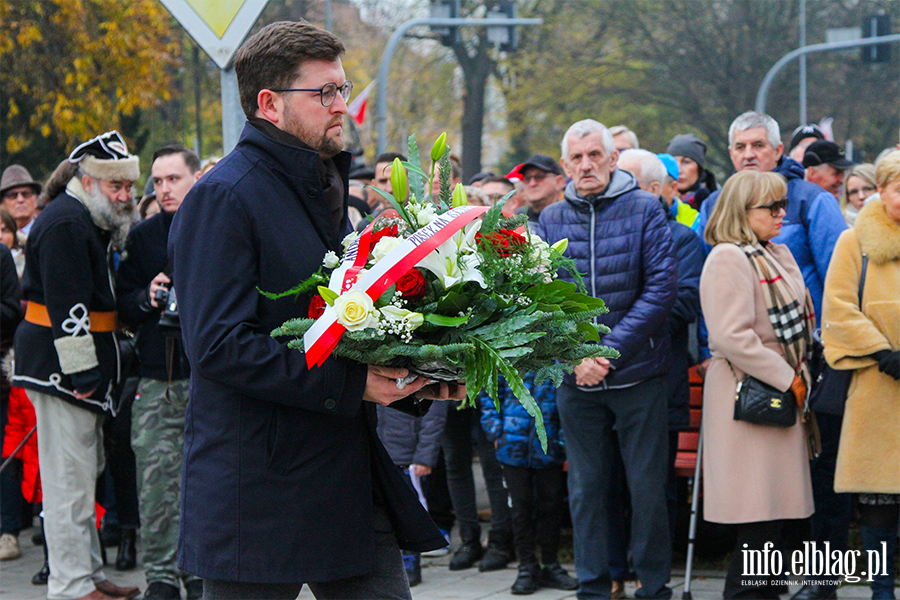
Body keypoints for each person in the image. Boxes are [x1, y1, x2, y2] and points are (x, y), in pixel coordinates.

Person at [168, 20, 455, 600]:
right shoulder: (224, 195)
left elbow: (343, 320)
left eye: (342, 90)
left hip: (343, 475)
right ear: (270, 104)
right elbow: (219, 346)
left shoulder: (319, 184)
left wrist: (420, 372)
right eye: (323, 92)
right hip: (256, 485)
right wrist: (353, 385)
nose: (340, 106)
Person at [536, 119, 677, 600]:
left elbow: (660, 291)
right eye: (576, 158)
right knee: (587, 492)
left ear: (614, 159)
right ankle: (593, 587)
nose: (586, 165)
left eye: (595, 155)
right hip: (577, 381)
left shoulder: (644, 209)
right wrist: (577, 356)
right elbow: (542, 301)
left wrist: (605, 354)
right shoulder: (551, 220)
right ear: (565, 166)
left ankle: (653, 586)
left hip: (638, 375)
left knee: (647, 491)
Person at [12, 130, 141, 600]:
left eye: (129, 187)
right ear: (88, 181)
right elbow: (70, 309)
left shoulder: (80, 216)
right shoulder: (67, 223)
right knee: (68, 481)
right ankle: (70, 585)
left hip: (68, 367)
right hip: (63, 369)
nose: (126, 196)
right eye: (117, 188)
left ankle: (87, 574)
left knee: (81, 473)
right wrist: (84, 374)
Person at [700, 170, 814, 600]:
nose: (782, 213)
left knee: (771, 529)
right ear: (741, 212)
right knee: (758, 529)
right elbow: (731, 336)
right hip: (749, 400)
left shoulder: (774, 253)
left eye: (783, 204)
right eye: (772, 206)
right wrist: (789, 378)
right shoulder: (729, 257)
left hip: (776, 398)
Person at [116, 144, 203, 600]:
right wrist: (147, 297)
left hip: (212, 381)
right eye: (159, 181)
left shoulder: (218, 227)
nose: (164, 189)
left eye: (173, 179)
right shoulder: (143, 237)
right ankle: (163, 577)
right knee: (155, 485)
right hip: (158, 380)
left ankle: (200, 571)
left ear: (196, 177)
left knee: (208, 487)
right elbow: (121, 304)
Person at [821, 150, 900, 600]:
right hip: (875, 386)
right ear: (882, 190)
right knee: (878, 498)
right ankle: (882, 589)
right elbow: (837, 308)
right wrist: (881, 351)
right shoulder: (855, 242)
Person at [480, 375, 579, 595]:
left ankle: (550, 564)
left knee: (551, 505)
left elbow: (567, 395)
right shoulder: (509, 350)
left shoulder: (557, 352)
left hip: (550, 444)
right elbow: (489, 390)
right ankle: (526, 565)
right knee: (520, 507)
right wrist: (495, 431)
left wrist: (563, 439)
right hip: (513, 444)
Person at [375, 397, 449, 587]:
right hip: (379, 453)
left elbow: (434, 417)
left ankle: (411, 561)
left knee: (410, 515)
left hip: (408, 459)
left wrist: (425, 456)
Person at [666, 134, 717, 210]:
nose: (679, 170)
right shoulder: (654, 203)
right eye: (673, 162)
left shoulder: (716, 204)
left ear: (699, 169)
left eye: (686, 162)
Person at [519, 154, 565, 225]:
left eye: (539, 176)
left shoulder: (571, 218)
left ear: (559, 182)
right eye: (527, 178)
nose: (532, 183)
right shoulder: (515, 220)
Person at [0, 165, 41, 236]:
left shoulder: (47, 230)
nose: (20, 200)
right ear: (2, 203)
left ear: (36, 199)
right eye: (12, 195)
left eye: (26, 194)